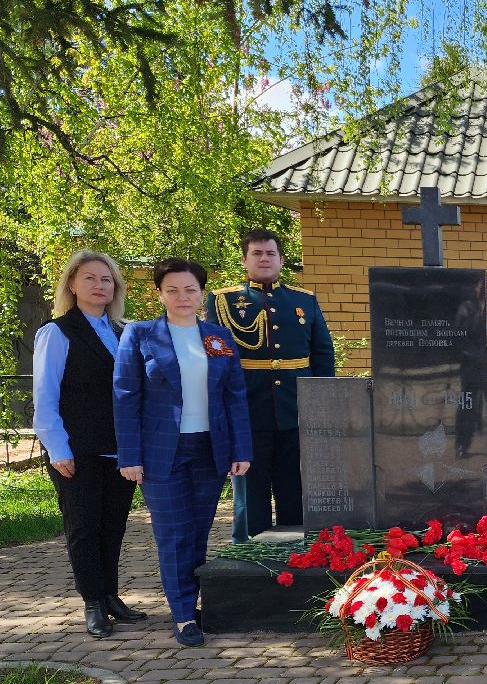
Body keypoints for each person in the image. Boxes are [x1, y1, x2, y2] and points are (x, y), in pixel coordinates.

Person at [115, 258, 253, 647]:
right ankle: (182, 615)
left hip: (210, 448)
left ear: (202, 294)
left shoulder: (219, 337)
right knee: (174, 534)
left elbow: (235, 397)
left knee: (199, 533)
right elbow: (125, 398)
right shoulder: (140, 336)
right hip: (162, 453)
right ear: (159, 294)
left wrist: (240, 448)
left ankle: (192, 601)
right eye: (172, 289)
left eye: (190, 289)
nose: (182, 297)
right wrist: (130, 455)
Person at [32, 250, 144, 637]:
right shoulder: (57, 332)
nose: (99, 286)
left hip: (119, 449)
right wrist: (57, 448)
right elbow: (44, 397)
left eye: (106, 280)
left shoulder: (125, 331)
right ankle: (93, 603)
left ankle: (111, 595)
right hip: (75, 449)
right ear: (72, 285)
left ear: (116, 287)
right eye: (90, 279)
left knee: (113, 526)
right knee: (83, 526)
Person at [207, 229, 335, 542]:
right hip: (248, 411)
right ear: (244, 259)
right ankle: (251, 560)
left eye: (271, 253)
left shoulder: (303, 300)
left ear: (281, 259)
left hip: (296, 410)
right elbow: (215, 362)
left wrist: (323, 408)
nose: (264, 259)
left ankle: (299, 556)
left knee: (296, 488)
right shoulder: (222, 301)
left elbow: (322, 355)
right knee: (251, 494)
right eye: (257, 253)